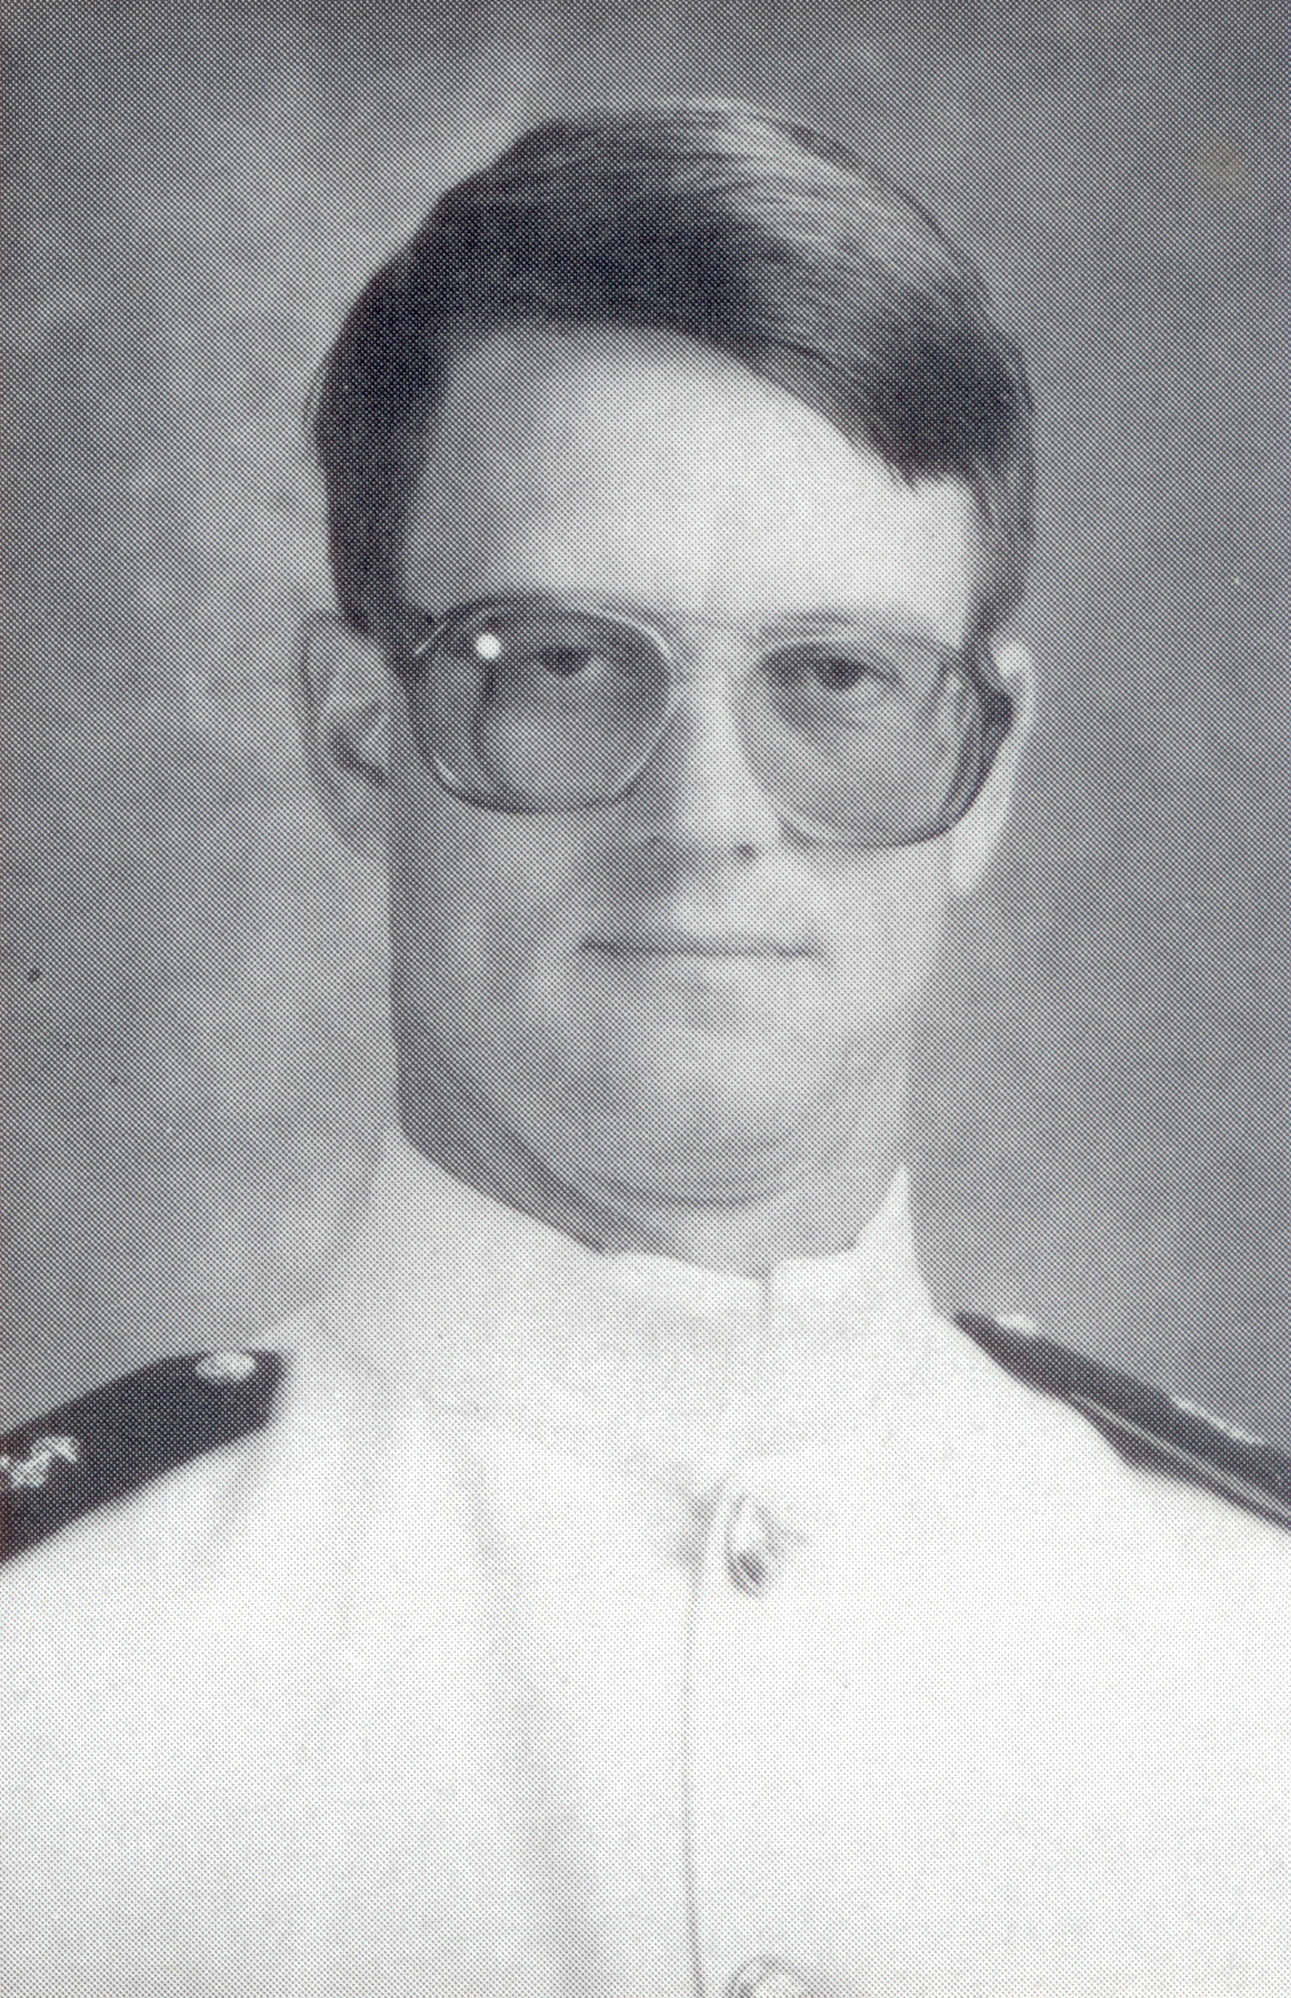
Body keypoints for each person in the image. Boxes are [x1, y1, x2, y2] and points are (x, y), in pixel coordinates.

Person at [4, 99, 1289, 1998]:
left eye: (834, 677)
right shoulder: (45, 1686)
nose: (705, 822)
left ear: (988, 762)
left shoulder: (1253, 1660)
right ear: (359, 734)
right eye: (563, 662)